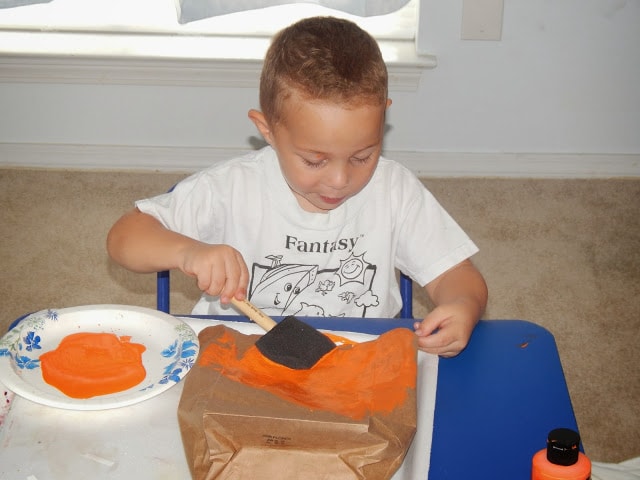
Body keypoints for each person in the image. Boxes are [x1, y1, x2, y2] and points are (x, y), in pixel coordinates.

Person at [107, 16, 487, 357]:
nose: (340, 180)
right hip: (238, 353)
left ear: (383, 119)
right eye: (314, 160)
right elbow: (125, 238)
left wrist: (462, 307)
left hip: (357, 358)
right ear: (267, 130)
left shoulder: (395, 190)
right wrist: (188, 251)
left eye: (362, 156)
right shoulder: (231, 189)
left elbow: (458, 276)